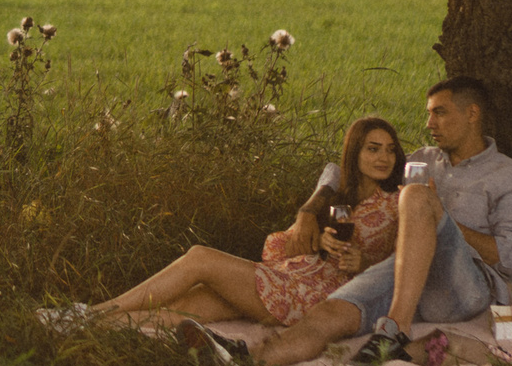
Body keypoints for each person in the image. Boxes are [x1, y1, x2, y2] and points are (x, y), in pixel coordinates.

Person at [255, 75, 512, 366]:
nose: (429, 123)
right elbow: (342, 170)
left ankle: (394, 329)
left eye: (439, 113)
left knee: (415, 196)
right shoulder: (422, 159)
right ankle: (250, 362)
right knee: (328, 314)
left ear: (471, 114)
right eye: (429, 114)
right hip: (405, 274)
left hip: (465, 287)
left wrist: (437, 214)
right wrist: (307, 212)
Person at [71, 116, 408, 337]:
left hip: (317, 296)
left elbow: (409, 263)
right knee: (184, 309)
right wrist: (316, 238)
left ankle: (93, 311)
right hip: (291, 276)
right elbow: (280, 245)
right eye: (373, 149)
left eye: (390, 150)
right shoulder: (338, 197)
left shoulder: (398, 202)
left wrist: (365, 264)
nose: (384, 158)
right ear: (355, 152)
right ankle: (86, 326)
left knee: (200, 257)